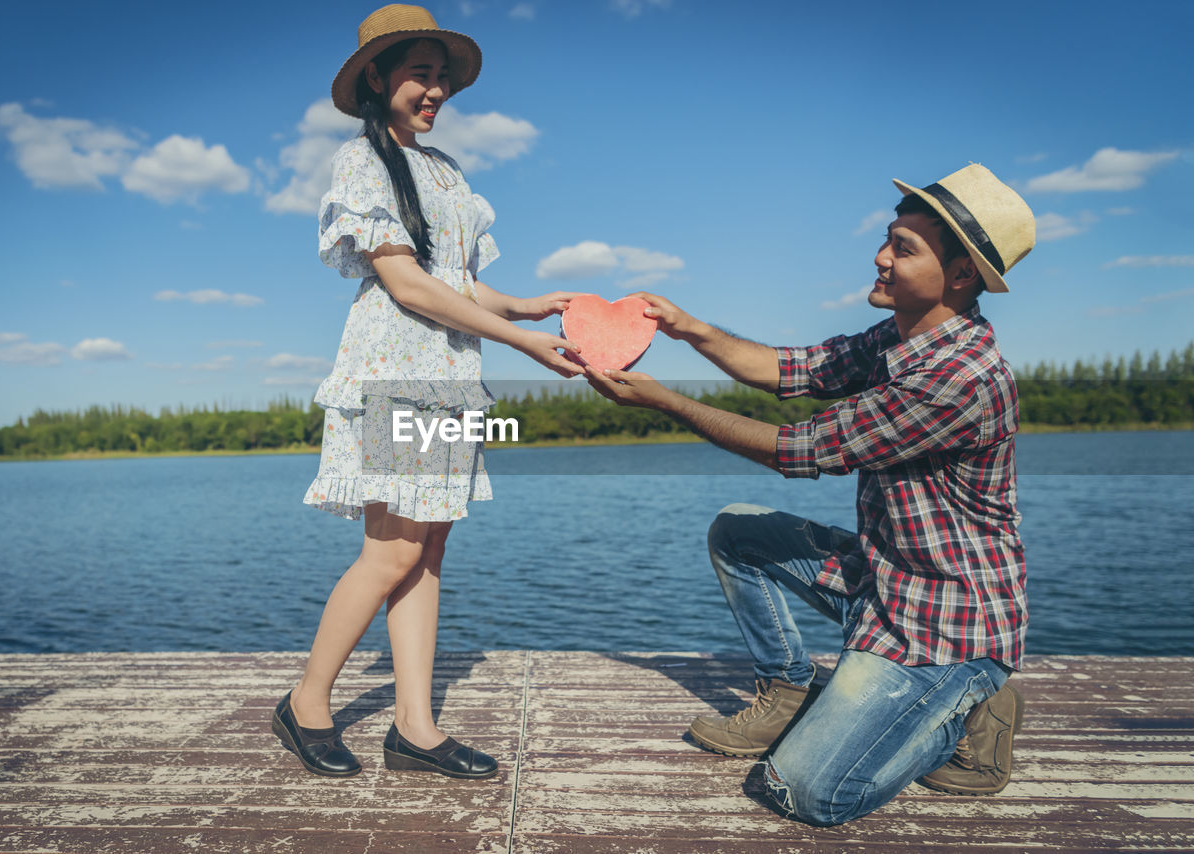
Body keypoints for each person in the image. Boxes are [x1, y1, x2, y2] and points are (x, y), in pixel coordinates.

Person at [584, 164, 1034, 825]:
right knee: (738, 532)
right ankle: (790, 691)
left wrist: (664, 402)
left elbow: (795, 451)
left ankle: (967, 710)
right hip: (886, 581)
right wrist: (688, 329)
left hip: (945, 626)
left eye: (903, 249)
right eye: (888, 238)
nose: (880, 257)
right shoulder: (899, 337)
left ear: (961, 276)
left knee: (808, 790)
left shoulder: (959, 378)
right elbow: (789, 371)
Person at [273, 4, 584, 781]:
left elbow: (461, 284)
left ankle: (415, 726)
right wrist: (522, 344)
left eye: (443, 77)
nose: (435, 89)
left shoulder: (447, 173)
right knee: (392, 548)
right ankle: (307, 702)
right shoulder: (362, 162)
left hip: (447, 381)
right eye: (421, 73)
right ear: (377, 77)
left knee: (429, 545)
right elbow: (407, 284)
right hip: (394, 376)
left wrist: (527, 306)